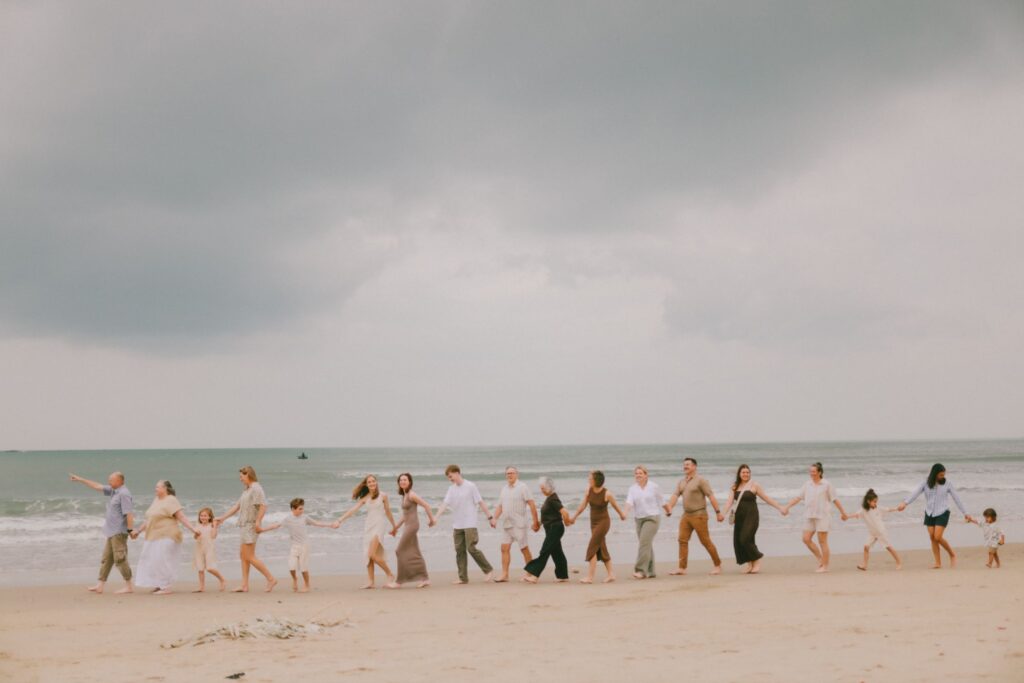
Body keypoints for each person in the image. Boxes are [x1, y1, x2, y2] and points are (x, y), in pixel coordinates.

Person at [69, 471, 135, 595]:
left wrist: (130, 530)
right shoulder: (114, 491)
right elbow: (97, 486)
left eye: (111, 480)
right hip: (111, 531)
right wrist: (81, 479)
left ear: (120, 481)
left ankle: (129, 586)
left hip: (119, 532)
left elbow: (129, 514)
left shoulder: (124, 494)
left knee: (120, 559)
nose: (109, 481)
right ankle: (100, 585)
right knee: (106, 559)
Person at [214, 465, 277, 592]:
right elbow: (237, 506)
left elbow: (263, 506)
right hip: (244, 525)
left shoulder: (256, 488)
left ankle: (271, 579)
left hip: (251, 525)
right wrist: (222, 518)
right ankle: (244, 585)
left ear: (248, 475)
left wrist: (258, 522)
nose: (240, 479)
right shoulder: (247, 490)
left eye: (241, 476)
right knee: (243, 555)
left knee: (249, 556)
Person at [131, 480, 200, 595]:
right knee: (153, 560)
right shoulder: (156, 500)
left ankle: (166, 587)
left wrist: (193, 529)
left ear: (165, 489)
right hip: (153, 535)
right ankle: (159, 584)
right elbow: (150, 519)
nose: (155, 489)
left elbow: (181, 517)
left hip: (167, 534)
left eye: (158, 487)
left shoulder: (171, 500)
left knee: (162, 560)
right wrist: (138, 531)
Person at [897, 463, 971, 569]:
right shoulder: (925, 483)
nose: (943, 477)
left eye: (943, 474)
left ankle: (952, 554)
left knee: (937, 537)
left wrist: (965, 513)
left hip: (943, 512)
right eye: (941, 475)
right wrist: (905, 503)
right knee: (932, 537)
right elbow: (915, 493)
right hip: (929, 512)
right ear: (934, 474)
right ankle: (938, 563)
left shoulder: (948, 484)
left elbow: (957, 498)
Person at [783, 462, 850, 573]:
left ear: (819, 472)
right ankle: (821, 559)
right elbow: (798, 498)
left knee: (822, 541)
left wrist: (843, 513)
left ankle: (825, 566)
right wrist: (787, 507)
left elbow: (835, 499)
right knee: (806, 539)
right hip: (809, 515)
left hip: (822, 516)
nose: (811, 473)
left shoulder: (826, 484)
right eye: (810, 471)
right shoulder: (807, 484)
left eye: (814, 471)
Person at [434, 464, 495, 584]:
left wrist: (490, 517)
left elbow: (480, 502)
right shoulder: (451, 489)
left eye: (450, 476)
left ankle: (488, 570)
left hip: (470, 523)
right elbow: (444, 504)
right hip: (457, 524)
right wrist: (436, 517)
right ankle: (463, 578)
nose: (450, 479)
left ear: (457, 473)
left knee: (471, 548)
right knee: (459, 550)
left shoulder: (470, 486)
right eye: (448, 477)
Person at [720, 464, 786, 574]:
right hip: (739, 517)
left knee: (745, 538)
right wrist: (722, 514)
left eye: (747, 472)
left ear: (750, 473)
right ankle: (750, 564)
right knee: (740, 540)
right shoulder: (734, 486)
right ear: (739, 474)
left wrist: (780, 507)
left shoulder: (754, 485)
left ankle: (756, 560)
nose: (745, 474)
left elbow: (766, 498)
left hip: (751, 516)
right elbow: (729, 502)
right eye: (743, 472)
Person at [663, 457, 724, 576]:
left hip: (699, 515)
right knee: (682, 540)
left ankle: (717, 565)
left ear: (694, 466)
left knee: (705, 541)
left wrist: (718, 512)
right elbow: (675, 495)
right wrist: (669, 508)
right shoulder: (681, 482)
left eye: (688, 464)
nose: (685, 466)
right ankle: (682, 568)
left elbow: (710, 496)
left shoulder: (701, 480)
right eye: (684, 464)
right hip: (686, 515)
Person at [335, 475, 399, 589]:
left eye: (373, 481)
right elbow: (352, 510)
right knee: (367, 554)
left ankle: (390, 574)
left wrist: (394, 526)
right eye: (369, 482)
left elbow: (388, 511)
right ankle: (371, 581)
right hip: (368, 526)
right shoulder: (365, 498)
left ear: (376, 482)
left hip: (379, 525)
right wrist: (340, 520)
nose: (372, 483)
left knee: (372, 554)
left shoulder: (383, 495)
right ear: (366, 484)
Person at [259, 498, 334, 592]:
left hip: (304, 545)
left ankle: (307, 585)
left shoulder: (305, 518)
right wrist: (262, 530)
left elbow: (317, 523)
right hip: (294, 546)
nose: (302, 510)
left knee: (303, 568)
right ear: (293, 509)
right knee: (291, 567)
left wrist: (330, 525)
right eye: (300, 509)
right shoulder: (288, 519)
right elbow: (276, 525)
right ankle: (295, 579)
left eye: (302, 508)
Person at [570, 470, 626, 584]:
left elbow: (615, 505)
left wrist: (622, 515)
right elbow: (583, 505)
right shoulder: (589, 490)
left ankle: (590, 577)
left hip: (603, 523)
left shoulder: (607, 493)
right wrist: (574, 517)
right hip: (593, 523)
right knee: (602, 548)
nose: (588, 480)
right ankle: (611, 574)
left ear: (596, 480)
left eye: (590, 478)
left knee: (592, 548)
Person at [490, 466, 540, 582]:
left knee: (524, 549)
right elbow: (500, 506)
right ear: (505, 475)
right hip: (507, 524)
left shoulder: (523, 487)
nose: (510, 475)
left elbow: (532, 504)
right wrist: (494, 518)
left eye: (512, 473)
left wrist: (535, 522)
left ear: (517, 474)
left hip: (519, 524)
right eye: (508, 473)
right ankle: (505, 574)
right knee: (504, 548)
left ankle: (530, 573)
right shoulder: (504, 489)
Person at [522, 477, 573, 583]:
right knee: (557, 552)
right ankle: (562, 576)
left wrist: (567, 522)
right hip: (551, 528)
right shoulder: (549, 498)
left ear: (549, 487)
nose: (541, 491)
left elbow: (565, 512)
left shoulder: (553, 498)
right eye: (541, 488)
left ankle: (534, 575)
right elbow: (547, 515)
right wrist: (538, 524)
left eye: (543, 488)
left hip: (555, 528)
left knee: (544, 551)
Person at [391, 473, 436, 588]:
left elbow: (427, 505)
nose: (402, 481)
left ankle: (399, 581)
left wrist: (432, 520)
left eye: (405, 480)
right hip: (408, 525)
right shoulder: (405, 495)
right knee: (415, 552)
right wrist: (396, 528)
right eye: (401, 480)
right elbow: (405, 515)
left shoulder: (412, 495)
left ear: (410, 482)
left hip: (412, 526)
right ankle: (425, 579)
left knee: (399, 551)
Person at [623, 465, 665, 579]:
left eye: (640, 473)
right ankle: (651, 571)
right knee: (647, 544)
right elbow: (629, 502)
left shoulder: (654, 486)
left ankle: (640, 570)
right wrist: (625, 513)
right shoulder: (632, 489)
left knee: (644, 543)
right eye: (636, 473)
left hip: (652, 518)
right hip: (639, 519)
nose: (638, 475)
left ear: (646, 475)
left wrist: (668, 510)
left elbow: (662, 500)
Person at [846, 489, 901, 571]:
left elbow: (888, 509)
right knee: (866, 547)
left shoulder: (878, 508)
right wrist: (846, 517)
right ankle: (864, 565)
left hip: (881, 532)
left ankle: (899, 562)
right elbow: (855, 514)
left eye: (876, 501)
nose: (876, 503)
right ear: (868, 501)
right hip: (872, 533)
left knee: (888, 547)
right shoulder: (864, 510)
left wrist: (897, 508)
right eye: (874, 502)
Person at [192, 507, 226, 592]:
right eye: (201, 515)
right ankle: (201, 587)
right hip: (199, 548)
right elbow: (195, 537)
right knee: (200, 568)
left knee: (210, 568)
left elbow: (213, 536)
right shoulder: (198, 525)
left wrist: (215, 525)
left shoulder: (212, 526)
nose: (203, 517)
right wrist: (196, 534)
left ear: (209, 517)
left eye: (205, 516)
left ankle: (222, 579)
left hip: (209, 548)